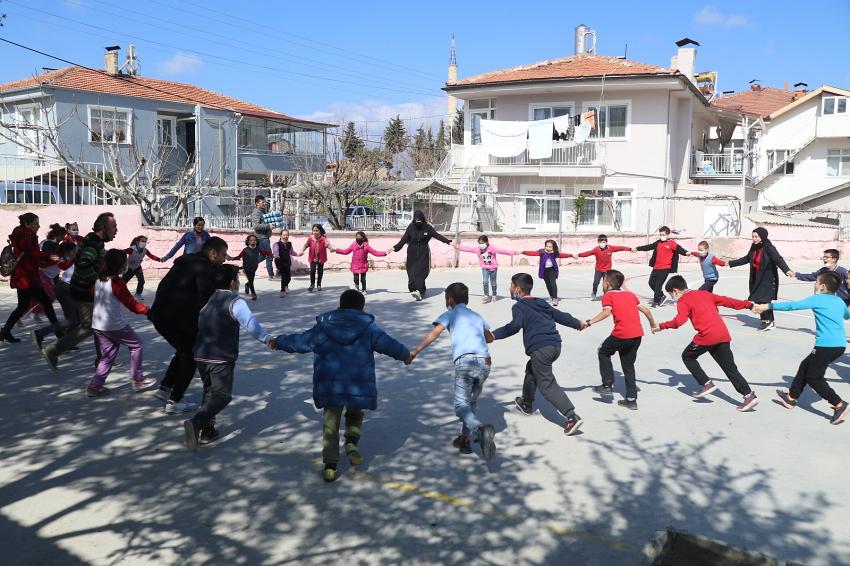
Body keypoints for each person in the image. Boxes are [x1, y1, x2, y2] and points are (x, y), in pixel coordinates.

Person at [273, 290, 411, 482]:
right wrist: (405, 354)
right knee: (355, 413)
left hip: (331, 385)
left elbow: (301, 342)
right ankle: (352, 443)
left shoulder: (324, 327)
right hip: (358, 384)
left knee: (330, 423)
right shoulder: (369, 327)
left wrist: (278, 342)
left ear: (340, 305)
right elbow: (388, 344)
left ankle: (330, 465)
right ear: (361, 308)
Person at [183, 264, 275, 451]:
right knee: (222, 396)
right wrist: (267, 339)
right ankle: (196, 422)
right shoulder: (236, 301)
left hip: (201, 355)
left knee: (209, 392)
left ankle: (207, 431)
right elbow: (250, 324)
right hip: (221, 357)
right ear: (233, 282)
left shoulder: (210, 299)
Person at [408, 282, 497, 460]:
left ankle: (480, 429)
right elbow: (490, 337)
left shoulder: (450, 314)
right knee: (470, 402)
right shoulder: (476, 315)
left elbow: (434, 334)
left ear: (449, 299)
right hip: (485, 363)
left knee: (461, 406)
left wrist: (415, 351)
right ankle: (464, 439)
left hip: (466, 363)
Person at [490, 273, 586, 435]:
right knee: (532, 369)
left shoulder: (519, 307)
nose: (510, 288)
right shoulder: (541, 302)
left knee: (547, 384)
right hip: (555, 345)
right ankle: (526, 403)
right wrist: (578, 323)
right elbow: (559, 316)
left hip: (541, 348)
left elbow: (514, 326)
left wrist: (493, 335)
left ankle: (571, 417)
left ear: (518, 289)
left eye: (511, 286)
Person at [755, 271, 850, 425]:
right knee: (805, 365)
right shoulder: (838, 301)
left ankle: (839, 404)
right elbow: (847, 315)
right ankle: (792, 397)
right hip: (839, 345)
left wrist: (767, 306)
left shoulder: (818, 299)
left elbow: (793, 305)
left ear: (823, 286)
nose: (815, 284)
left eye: (817, 282)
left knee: (814, 377)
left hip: (826, 345)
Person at [653, 275, 759, 412]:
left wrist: (661, 326)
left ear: (675, 291)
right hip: (722, 334)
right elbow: (728, 301)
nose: (673, 298)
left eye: (671, 294)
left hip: (707, 336)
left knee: (688, 357)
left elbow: (678, 322)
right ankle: (749, 395)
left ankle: (706, 384)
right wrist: (749, 305)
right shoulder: (705, 294)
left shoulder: (683, 301)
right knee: (729, 368)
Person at [148, 236, 228, 414]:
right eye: (223, 254)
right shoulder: (203, 268)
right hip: (175, 319)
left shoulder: (186, 262)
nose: (225, 258)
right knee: (192, 355)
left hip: (160, 315)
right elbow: (207, 299)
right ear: (213, 253)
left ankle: (165, 388)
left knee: (184, 350)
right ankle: (174, 401)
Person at [40, 212, 118, 371]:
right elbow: (84, 264)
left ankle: (101, 359)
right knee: (91, 326)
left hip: (83, 290)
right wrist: (97, 284)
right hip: (84, 292)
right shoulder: (93, 244)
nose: (116, 230)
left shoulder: (94, 241)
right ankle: (53, 350)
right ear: (103, 227)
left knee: (96, 326)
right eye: (113, 226)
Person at [87, 249, 156, 397]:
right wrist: (149, 311)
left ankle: (95, 386)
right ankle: (137, 379)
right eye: (124, 262)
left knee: (108, 356)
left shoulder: (100, 279)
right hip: (114, 325)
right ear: (119, 265)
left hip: (99, 325)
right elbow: (131, 304)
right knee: (136, 345)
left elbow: (92, 293)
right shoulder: (117, 283)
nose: (126, 264)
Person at [583, 270, 656, 410]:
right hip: (637, 335)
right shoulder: (630, 295)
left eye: (603, 281)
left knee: (603, 352)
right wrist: (653, 324)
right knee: (628, 366)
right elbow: (646, 310)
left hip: (622, 334)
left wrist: (589, 322)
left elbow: (606, 312)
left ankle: (607, 384)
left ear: (607, 283)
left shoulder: (608, 296)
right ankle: (631, 400)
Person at [0, 213, 60, 344]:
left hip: (25, 276)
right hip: (26, 277)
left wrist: (45, 258)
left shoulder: (24, 233)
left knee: (23, 305)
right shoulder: (25, 235)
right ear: (28, 224)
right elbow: (31, 254)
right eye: (35, 223)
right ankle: (59, 333)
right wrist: (47, 256)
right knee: (46, 301)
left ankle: (5, 331)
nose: (38, 226)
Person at [728, 227, 791, 331]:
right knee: (758, 299)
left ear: (762, 236)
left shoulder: (769, 247)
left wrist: (786, 270)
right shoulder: (754, 247)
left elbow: (778, 259)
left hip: (767, 278)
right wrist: (730, 263)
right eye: (753, 237)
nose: (754, 239)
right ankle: (766, 321)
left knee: (764, 300)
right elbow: (746, 259)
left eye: (756, 236)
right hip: (757, 278)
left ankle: (769, 321)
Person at [390, 210, 452, 301]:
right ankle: (414, 290)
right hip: (412, 254)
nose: (418, 222)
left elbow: (437, 235)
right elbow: (403, 240)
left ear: (422, 219)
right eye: (416, 220)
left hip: (423, 253)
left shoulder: (428, 228)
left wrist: (448, 242)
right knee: (411, 273)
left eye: (420, 220)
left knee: (421, 273)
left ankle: (420, 291)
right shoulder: (410, 228)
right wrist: (394, 248)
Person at [633, 226, 689, 308]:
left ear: (668, 234)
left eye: (663, 234)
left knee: (658, 285)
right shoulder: (658, 242)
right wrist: (637, 248)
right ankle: (661, 295)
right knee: (651, 283)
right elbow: (649, 247)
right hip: (656, 267)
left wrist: (686, 252)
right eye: (660, 234)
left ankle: (656, 302)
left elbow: (680, 249)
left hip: (665, 268)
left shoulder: (672, 243)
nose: (661, 236)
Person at [454, 234, 518, 303]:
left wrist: (513, 252)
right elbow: (468, 249)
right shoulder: (477, 249)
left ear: (486, 242)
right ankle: (486, 296)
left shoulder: (492, 248)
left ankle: (494, 295)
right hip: (485, 268)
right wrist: (458, 247)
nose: (481, 245)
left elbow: (502, 251)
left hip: (493, 268)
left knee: (493, 283)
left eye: (482, 243)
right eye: (479, 243)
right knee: (485, 282)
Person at [574, 235, 632, 300]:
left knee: (606, 283)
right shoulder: (596, 250)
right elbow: (588, 253)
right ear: (598, 242)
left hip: (607, 270)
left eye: (604, 242)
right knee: (596, 282)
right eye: (601, 242)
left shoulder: (610, 248)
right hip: (598, 269)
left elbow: (620, 248)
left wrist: (630, 249)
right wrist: (579, 255)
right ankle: (594, 292)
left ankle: (606, 295)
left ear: (606, 242)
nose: (602, 243)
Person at [521, 240, 572, 306]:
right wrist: (523, 252)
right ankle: (551, 296)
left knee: (553, 284)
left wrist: (571, 255)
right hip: (544, 270)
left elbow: (563, 255)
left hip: (552, 270)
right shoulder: (542, 252)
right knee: (548, 284)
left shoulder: (554, 253)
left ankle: (555, 298)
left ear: (553, 247)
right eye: (546, 246)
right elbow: (533, 253)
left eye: (550, 247)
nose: (548, 248)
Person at [230, 234, 274, 301]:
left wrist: (273, 255)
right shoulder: (245, 250)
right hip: (246, 267)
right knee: (251, 280)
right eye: (251, 240)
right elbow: (239, 257)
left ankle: (247, 285)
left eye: (254, 240)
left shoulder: (258, 249)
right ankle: (254, 294)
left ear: (256, 241)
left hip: (254, 267)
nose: (253, 241)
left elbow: (265, 253)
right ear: (248, 242)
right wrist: (232, 258)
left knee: (251, 280)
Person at [123, 235, 161, 300]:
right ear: (137, 242)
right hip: (129, 268)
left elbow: (151, 256)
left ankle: (138, 294)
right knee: (123, 281)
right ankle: (120, 293)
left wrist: (159, 259)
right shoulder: (131, 249)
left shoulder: (145, 250)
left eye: (145, 242)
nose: (144, 243)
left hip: (137, 267)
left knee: (141, 281)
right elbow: (123, 252)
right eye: (142, 241)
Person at [299, 224, 334, 292]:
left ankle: (319, 284)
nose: (315, 232)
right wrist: (302, 251)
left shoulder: (324, 238)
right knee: (312, 271)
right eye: (313, 230)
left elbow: (328, 244)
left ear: (320, 231)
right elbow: (306, 245)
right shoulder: (310, 238)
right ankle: (312, 284)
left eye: (317, 231)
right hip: (313, 258)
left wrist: (331, 249)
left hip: (321, 258)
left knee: (320, 272)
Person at [250, 195, 276, 279]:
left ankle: (249, 266)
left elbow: (264, 223)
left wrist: (271, 225)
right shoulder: (256, 213)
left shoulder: (263, 212)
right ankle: (271, 275)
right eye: (262, 202)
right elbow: (256, 226)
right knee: (269, 255)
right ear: (257, 203)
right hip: (261, 238)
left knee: (263, 256)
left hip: (264, 237)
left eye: (264, 202)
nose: (264, 203)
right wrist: (268, 226)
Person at [273, 229, 297, 297]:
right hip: (279, 262)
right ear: (281, 236)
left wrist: (298, 254)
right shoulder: (277, 244)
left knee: (288, 277)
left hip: (287, 262)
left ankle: (286, 285)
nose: (286, 236)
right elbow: (275, 250)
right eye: (284, 235)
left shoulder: (289, 244)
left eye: (287, 235)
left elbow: (292, 252)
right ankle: (282, 290)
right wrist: (276, 255)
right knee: (283, 276)